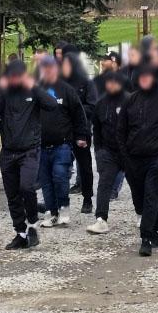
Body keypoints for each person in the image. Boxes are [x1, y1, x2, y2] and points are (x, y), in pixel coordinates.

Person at [0, 59, 56, 249]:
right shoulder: (4, 92)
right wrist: (0, 89)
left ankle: (32, 224)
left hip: (29, 150)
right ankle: (20, 232)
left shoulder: (33, 90)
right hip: (8, 151)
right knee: (12, 195)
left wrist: (33, 86)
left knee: (26, 187)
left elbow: (52, 104)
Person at [117, 64, 158, 256]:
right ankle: (156, 230)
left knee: (151, 197)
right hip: (133, 159)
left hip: (156, 159)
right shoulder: (130, 101)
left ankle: (145, 237)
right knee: (139, 200)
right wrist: (125, 156)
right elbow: (120, 132)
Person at [36, 56, 88, 227]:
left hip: (63, 144)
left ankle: (64, 207)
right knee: (46, 181)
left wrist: (81, 136)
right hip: (41, 145)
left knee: (60, 176)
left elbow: (79, 114)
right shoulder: (36, 90)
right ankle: (52, 212)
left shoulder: (66, 90)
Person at [87, 70, 130, 234]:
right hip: (108, 152)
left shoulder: (129, 100)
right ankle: (101, 219)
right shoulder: (101, 103)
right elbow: (96, 128)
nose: (111, 85)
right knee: (104, 184)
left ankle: (143, 216)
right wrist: (99, 151)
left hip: (129, 151)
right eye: (109, 82)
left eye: (115, 82)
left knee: (138, 185)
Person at [61, 52, 97, 214]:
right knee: (60, 167)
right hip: (62, 131)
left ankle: (87, 198)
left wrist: (75, 110)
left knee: (85, 167)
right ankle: (59, 201)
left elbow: (92, 106)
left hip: (81, 130)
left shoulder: (86, 83)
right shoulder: (58, 83)